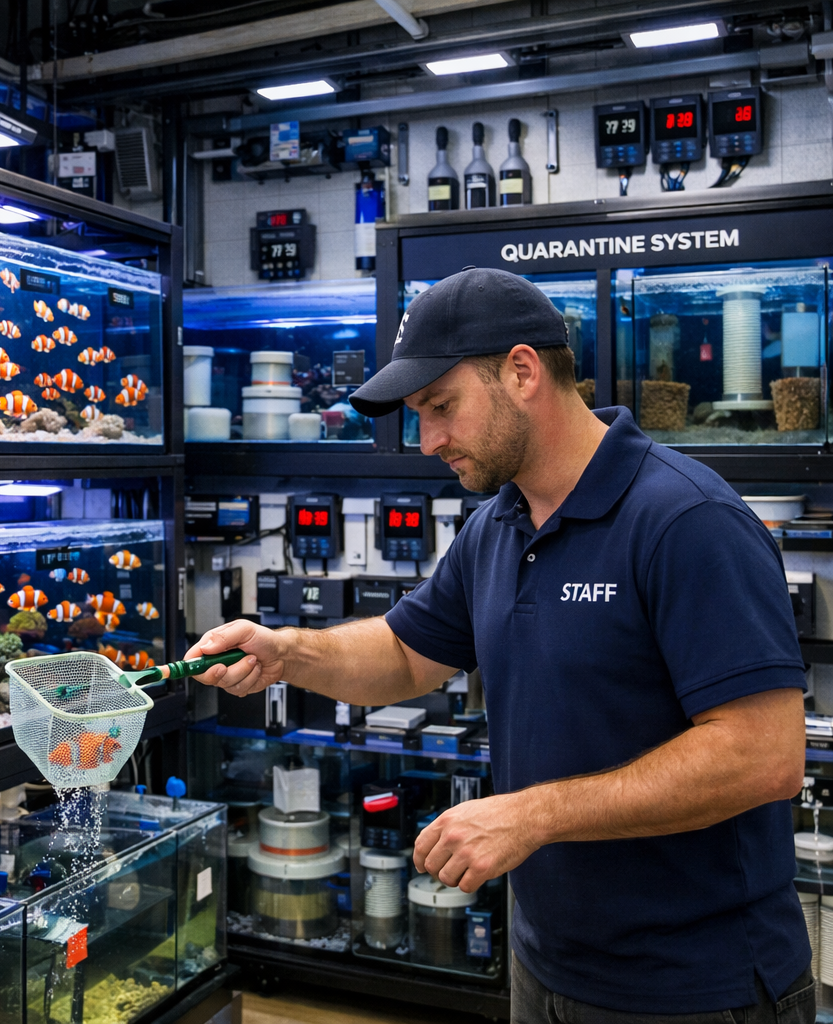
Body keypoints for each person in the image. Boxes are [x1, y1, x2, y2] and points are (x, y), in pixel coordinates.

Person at [190, 268, 813, 1022]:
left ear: (521, 372)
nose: (428, 442)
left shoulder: (687, 520)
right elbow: (403, 654)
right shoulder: (497, 526)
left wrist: (531, 816)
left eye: (441, 407)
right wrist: (288, 652)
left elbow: (764, 756)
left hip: (691, 990)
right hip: (543, 966)